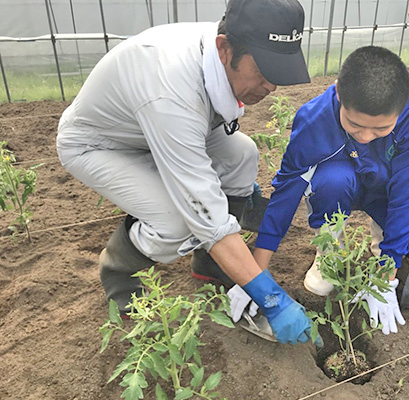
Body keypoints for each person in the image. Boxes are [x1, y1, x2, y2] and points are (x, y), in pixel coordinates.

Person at [56, 0, 321, 346]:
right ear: (225, 49)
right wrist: (272, 299)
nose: (271, 86)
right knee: (177, 223)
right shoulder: (170, 89)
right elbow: (205, 217)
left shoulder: (218, 49)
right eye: (263, 71)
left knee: (242, 154)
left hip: (150, 127)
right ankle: (119, 272)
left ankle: (211, 264)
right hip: (101, 144)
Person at [228, 46, 409, 336]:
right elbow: (286, 192)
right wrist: (255, 274)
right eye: (355, 126)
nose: (367, 136)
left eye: (381, 129)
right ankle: (330, 251)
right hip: (341, 187)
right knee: (332, 179)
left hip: (390, 189)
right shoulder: (314, 118)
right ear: (337, 92)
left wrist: (388, 272)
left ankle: (381, 239)